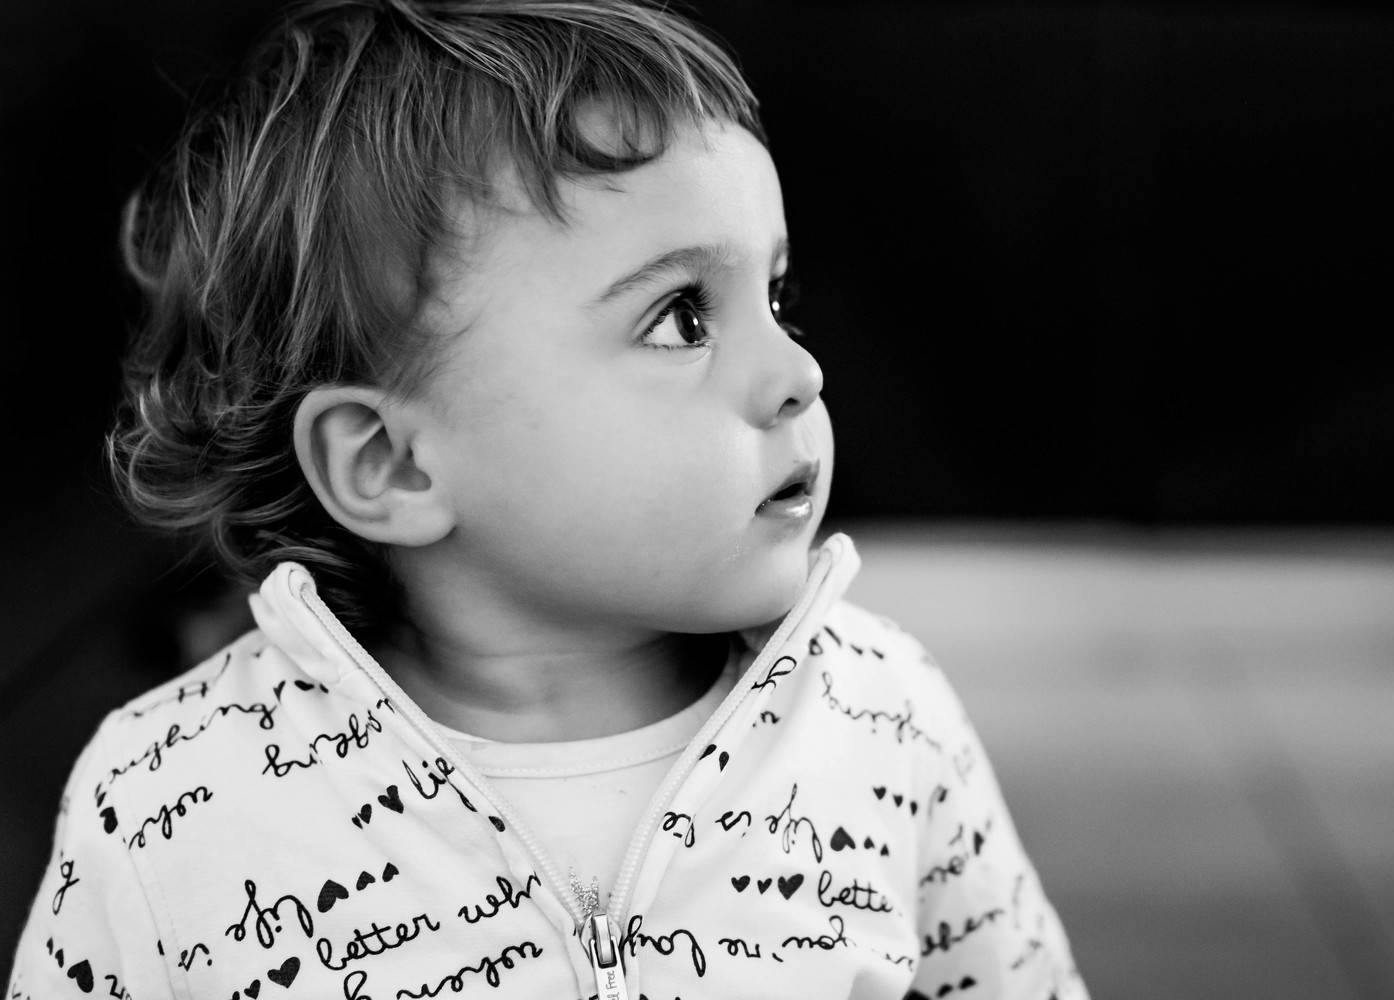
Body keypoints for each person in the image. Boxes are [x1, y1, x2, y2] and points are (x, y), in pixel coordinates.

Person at [6, 2, 1087, 997]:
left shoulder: (879, 719)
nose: (799, 371)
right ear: (392, 464)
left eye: (776, 295)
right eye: (682, 317)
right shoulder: (167, 805)